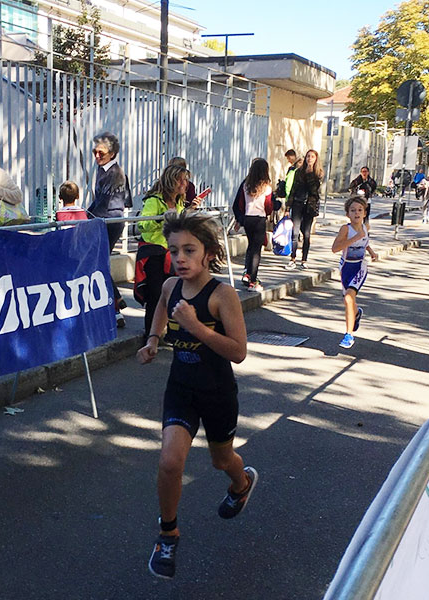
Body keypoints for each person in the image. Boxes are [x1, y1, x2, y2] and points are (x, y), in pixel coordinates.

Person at [137, 211, 255, 580]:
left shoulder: (223, 295)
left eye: (189, 250)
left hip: (218, 392)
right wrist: (154, 339)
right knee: (170, 462)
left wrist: (194, 327)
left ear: (208, 253)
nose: (180, 258)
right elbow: (160, 307)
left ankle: (242, 483)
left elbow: (238, 351)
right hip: (182, 388)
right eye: (174, 250)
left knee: (222, 460)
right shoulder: (171, 287)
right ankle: (167, 534)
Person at [135, 164, 191, 339]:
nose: (184, 183)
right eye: (179, 179)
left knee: (173, 293)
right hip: (153, 253)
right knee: (156, 296)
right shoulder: (154, 200)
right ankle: (150, 335)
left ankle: (168, 331)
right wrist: (161, 219)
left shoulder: (179, 202)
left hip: (171, 253)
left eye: (185, 179)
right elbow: (142, 224)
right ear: (170, 180)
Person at [88, 131, 132, 328]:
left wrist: (86, 216)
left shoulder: (115, 173)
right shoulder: (103, 169)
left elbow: (104, 203)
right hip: (106, 220)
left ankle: (114, 307)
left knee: (98, 264)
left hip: (110, 222)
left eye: (101, 153)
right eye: (94, 152)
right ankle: (116, 300)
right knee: (99, 262)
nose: (97, 156)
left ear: (112, 154)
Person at [331, 196, 379, 349]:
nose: (356, 213)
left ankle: (348, 335)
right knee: (350, 301)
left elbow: (365, 242)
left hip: (360, 267)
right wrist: (353, 239)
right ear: (347, 214)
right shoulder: (346, 229)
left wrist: (371, 252)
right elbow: (335, 248)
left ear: (364, 213)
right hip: (346, 267)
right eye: (353, 210)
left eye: (360, 210)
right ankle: (356, 313)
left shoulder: (366, 227)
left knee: (348, 299)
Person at [232, 158, 275, 291]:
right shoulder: (266, 187)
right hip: (259, 219)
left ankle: (247, 272)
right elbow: (268, 207)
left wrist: (240, 219)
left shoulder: (246, 185)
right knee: (257, 250)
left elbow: (240, 203)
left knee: (251, 246)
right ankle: (253, 280)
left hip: (247, 218)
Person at [285, 149, 323, 269]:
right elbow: (293, 190)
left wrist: (310, 173)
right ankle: (292, 258)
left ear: (316, 159)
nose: (309, 159)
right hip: (298, 203)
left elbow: (314, 190)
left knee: (306, 233)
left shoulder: (318, 173)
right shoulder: (299, 172)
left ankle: (304, 259)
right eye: (308, 156)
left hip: (309, 206)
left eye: (312, 157)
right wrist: (288, 206)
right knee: (295, 232)